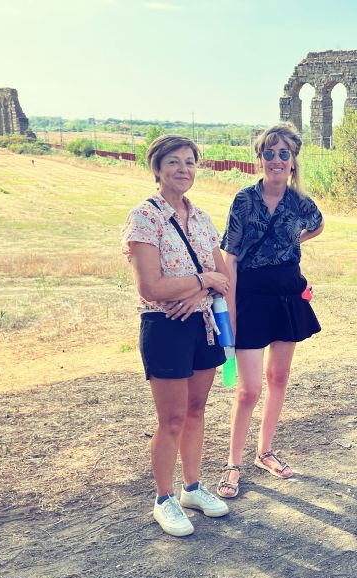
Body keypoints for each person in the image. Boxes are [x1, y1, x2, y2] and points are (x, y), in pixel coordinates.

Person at [121, 134, 232, 537]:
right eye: (173, 162)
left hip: (201, 325)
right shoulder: (144, 217)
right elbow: (150, 287)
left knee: (197, 412)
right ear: (156, 168)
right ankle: (163, 499)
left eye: (189, 162)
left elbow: (226, 277)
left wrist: (200, 290)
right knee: (170, 419)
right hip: (164, 327)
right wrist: (204, 280)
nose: (183, 169)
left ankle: (192, 488)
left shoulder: (201, 217)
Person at [217, 123, 324, 498]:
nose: (276, 160)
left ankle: (265, 451)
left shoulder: (301, 203)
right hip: (251, 295)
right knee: (248, 389)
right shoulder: (244, 200)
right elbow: (229, 256)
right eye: (269, 153)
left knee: (279, 376)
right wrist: (229, 310)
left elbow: (318, 224)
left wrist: (296, 239)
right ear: (259, 158)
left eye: (284, 154)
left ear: (293, 161)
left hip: (287, 293)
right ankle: (233, 463)